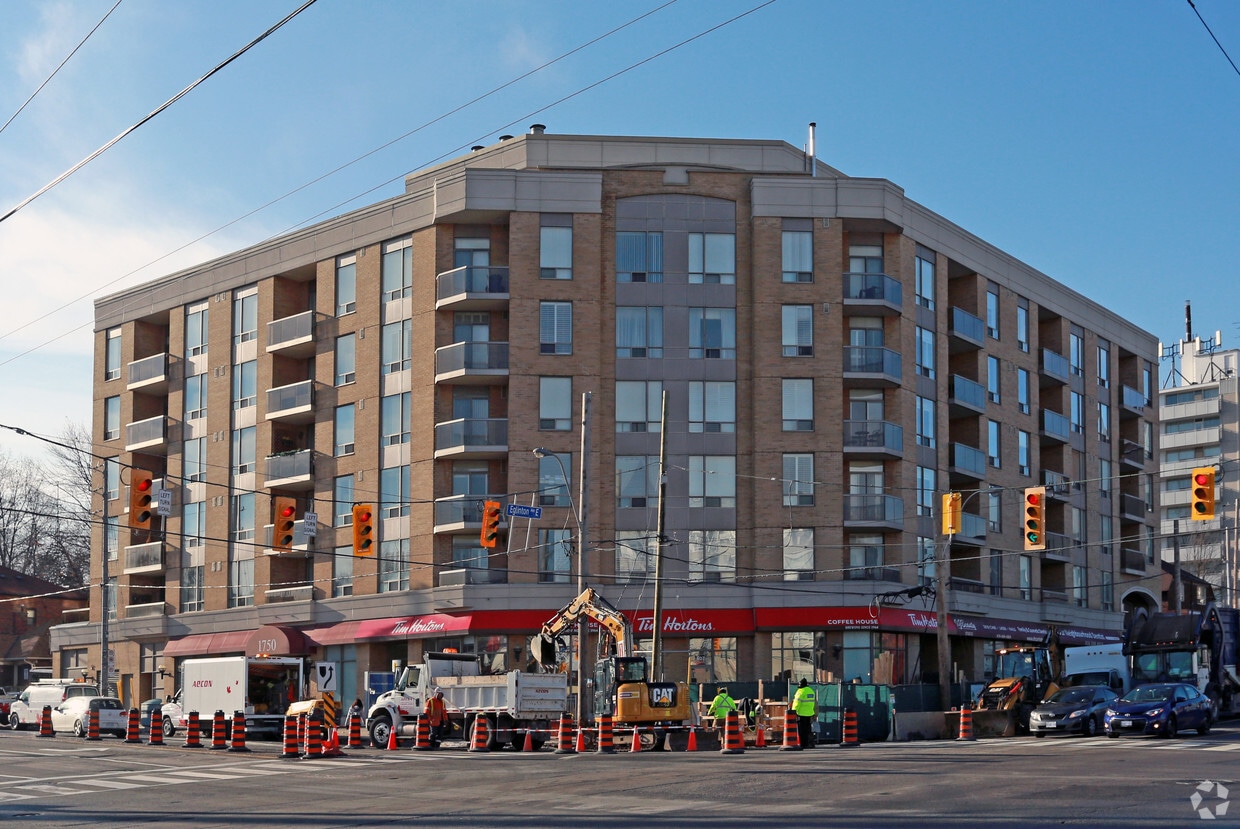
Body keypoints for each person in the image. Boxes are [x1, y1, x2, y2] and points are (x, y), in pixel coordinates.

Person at [792, 678, 817, 748]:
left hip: (801, 714)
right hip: (809, 713)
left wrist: (793, 711)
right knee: (808, 729)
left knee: (802, 730)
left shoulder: (800, 691)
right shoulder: (811, 691)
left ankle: (803, 744)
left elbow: (796, 703)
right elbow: (814, 703)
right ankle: (810, 743)